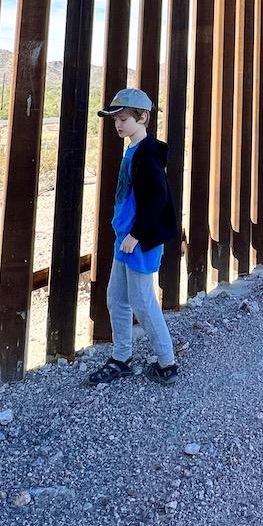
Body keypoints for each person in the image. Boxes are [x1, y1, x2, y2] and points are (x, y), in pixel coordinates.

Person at [85, 87, 181, 386]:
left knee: (142, 302)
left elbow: (157, 198)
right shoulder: (134, 151)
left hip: (140, 240)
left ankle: (167, 363)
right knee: (116, 299)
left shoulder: (148, 153)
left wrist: (136, 235)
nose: (118, 124)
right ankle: (121, 357)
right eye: (115, 119)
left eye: (124, 118)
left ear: (143, 118)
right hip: (125, 239)